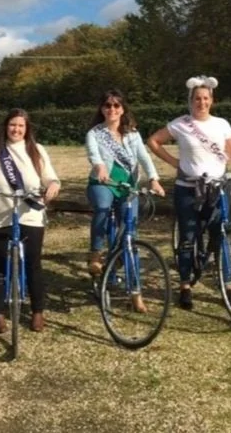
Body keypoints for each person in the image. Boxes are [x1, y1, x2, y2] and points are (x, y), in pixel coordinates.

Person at [146, 76, 231, 310]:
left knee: (221, 236)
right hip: (188, 189)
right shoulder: (180, 124)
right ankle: (185, 285)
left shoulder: (221, 124)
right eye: (197, 98)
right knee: (187, 238)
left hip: (217, 189)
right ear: (191, 100)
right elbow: (154, 141)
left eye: (205, 98)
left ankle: (227, 285)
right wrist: (175, 162)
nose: (202, 102)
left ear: (212, 100)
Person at [0, 108, 60, 333]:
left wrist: (53, 185)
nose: (16, 129)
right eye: (13, 125)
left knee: (33, 264)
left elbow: (50, 176)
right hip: (0, 214)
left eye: (21, 126)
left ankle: (38, 311)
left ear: (26, 129)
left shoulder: (37, 151)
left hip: (30, 214)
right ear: (5, 126)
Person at [85, 89, 165, 313]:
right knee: (102, 206)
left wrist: (154, 179)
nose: (112, 109)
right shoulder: (95, 133)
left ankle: (135, 292)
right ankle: (96, 252)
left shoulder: (133, 134)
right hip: (103, 184)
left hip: (128, 187)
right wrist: (99, 167)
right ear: (102, 109)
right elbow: (94, 154)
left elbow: (144, 157)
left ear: (123, 109)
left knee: (130, 239)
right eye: (107, 105)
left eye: (116, 105)